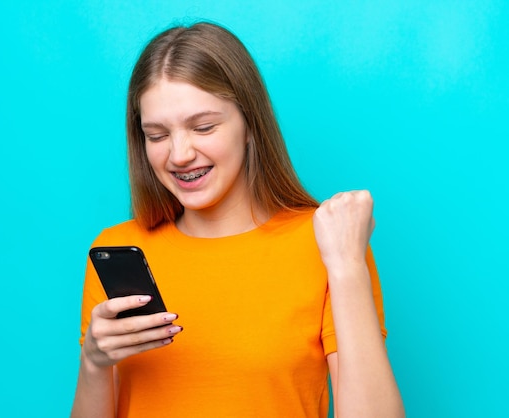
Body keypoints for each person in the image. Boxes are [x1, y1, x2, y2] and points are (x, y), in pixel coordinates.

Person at [71, 22, 405, 418]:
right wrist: (94, 363)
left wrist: (347, 266)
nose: (179, 154)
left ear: (250, 125)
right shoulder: (117, 250)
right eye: (157, 135)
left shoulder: (328, 242)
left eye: (204, 127)